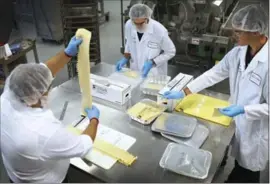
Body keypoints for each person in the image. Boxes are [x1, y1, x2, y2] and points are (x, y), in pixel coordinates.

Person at [163, 4, 268, 183]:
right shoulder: (238, 53)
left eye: (239, 32)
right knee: (238, 161)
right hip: (239, 123)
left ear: (256, 32)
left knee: (248, 172)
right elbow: (214, 74)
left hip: (255, 130)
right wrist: (184, 92)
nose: (235, 36)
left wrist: (244, 110)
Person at [0, 36, 100, 183]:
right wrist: (94, 120)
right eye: (47, 89)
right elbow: (84, 145)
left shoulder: (10, 92)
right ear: (38, 96)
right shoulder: (43, 132)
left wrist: (67, 53)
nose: (49, 90)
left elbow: (42, 72)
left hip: (15, 174)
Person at [116, 3, 176, 78]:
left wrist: (153, 62)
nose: (138, 26)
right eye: (135, 23)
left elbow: (171, 51)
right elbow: (129, 42)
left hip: (154, 73)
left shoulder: (159, 31)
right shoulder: (129, 25)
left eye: (141, 23)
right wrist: (126, 57)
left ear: (148, 19)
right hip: (135, 70)